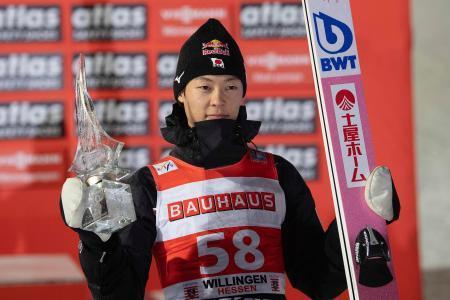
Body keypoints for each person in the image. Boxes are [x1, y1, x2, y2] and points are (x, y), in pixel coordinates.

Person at [60, 19, 399, 300]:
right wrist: (93, 239)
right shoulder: (149, 184)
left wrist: (358, 223)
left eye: (231, 86)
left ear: (243, 92)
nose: (218, 99)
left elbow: (318, 280)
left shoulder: (277, 172)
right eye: (204, 87)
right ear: (181, 94)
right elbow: (119, 293)